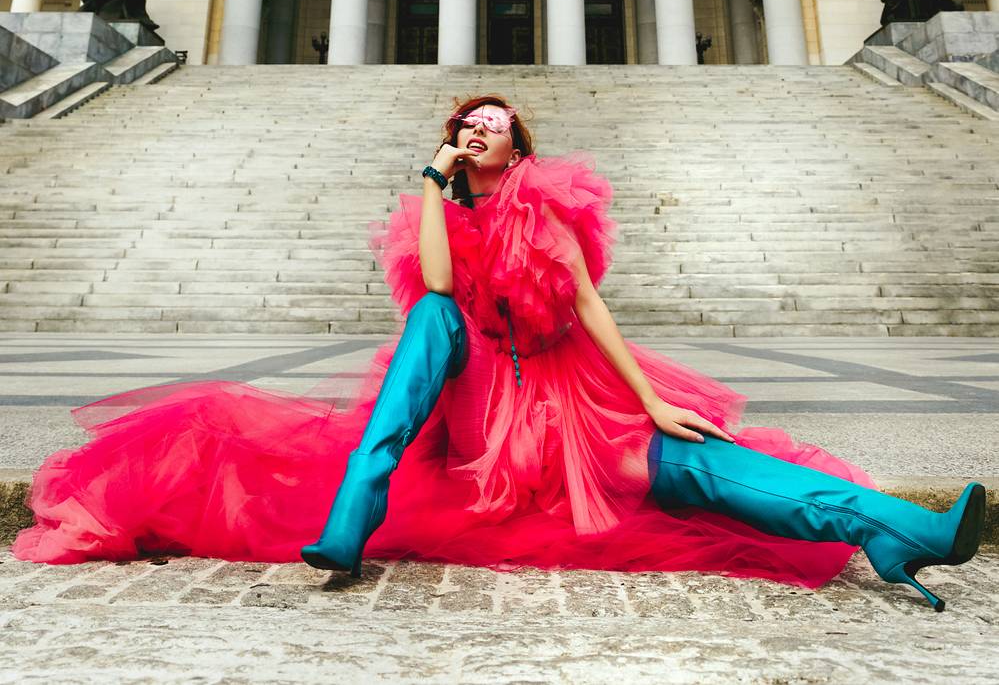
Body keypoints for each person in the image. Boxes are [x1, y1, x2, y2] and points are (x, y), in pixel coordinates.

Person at [14, 96, 985, 611]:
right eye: (466, 125)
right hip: (472, 409)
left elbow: (594, 312)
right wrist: (434, 184)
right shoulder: (440, 208)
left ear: (518, 143)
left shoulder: (547, 205)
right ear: (455, 144)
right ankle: (359, 502)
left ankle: (893, 529)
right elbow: (436, 285)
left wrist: (647, 398)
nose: (481, 130)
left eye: (495, 124)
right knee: (437, 319)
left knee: (695, 466)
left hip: (565, 403)